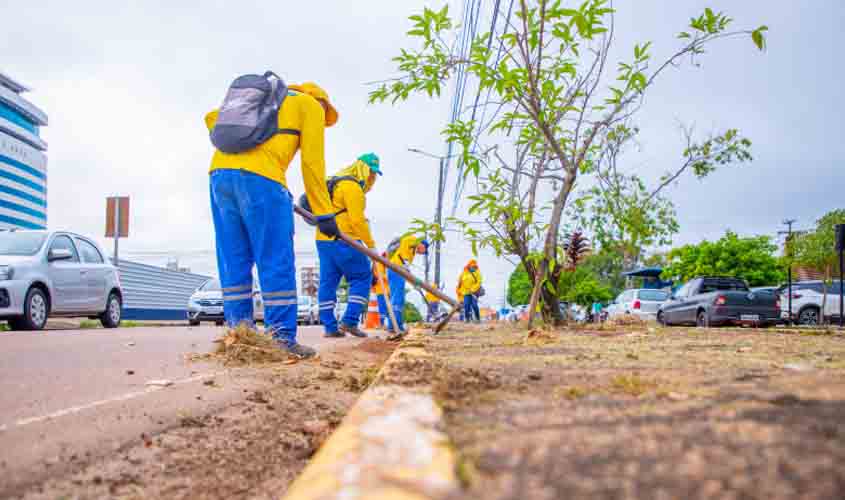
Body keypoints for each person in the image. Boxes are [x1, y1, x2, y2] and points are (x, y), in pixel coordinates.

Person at [206, 78, 339, 359]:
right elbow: (313, 164)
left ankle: (239, 336)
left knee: (233, 259)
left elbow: (212, 120)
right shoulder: (311, 105)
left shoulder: (262, 101)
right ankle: (281, 338)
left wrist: (243, 159)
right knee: (275, 258)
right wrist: (324, 212)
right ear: (323, 103)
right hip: (264, 180)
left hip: (219, 174)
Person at [316, 154, 382, 338]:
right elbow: (357, 221)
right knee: (362, 277)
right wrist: (370, 245)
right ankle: (350, 321)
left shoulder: (334, 182)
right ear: (363, 169)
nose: (372, 178)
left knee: (328, 282)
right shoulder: (352, 187)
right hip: (346, 238)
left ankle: (330, 327)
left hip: (323, 238)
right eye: (371, 173)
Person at [387, 235, 429, 334]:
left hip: (398, 271)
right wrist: (405, 262)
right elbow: (405, 243)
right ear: (423, 245)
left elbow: (407, 270)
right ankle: (395, 325)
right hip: (396, 269)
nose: (422, 253)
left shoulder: (413, 251)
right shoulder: (412, 240)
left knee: (398, 299)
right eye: (424, 251)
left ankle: (394, 325)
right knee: (397, 298)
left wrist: (415, 284)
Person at [372, 252, 392, 330]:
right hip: (381, 290)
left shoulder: (383, 265)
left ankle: (386, 323)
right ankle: (382, 324)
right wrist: (390, 278)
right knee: (383, 307)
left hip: (385, 290)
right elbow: (381, 275)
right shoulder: (379, 264)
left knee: (387, 308)